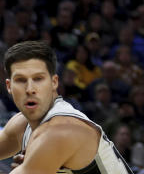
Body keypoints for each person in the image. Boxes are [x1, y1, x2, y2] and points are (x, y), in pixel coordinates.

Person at [0, 40, 133, 174]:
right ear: (9, 86)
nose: (30, 89)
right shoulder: (21, 124)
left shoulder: (62, 129)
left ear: (54, 82)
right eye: (21, 80)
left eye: (38, 79)